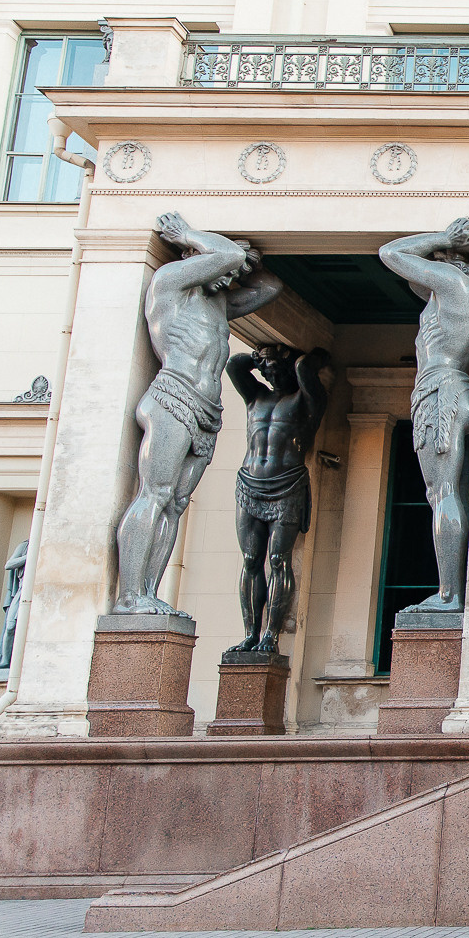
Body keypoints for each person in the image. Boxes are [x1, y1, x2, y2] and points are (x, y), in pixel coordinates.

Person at [113, 213, 283, 616]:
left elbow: (270, 286)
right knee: (153, 493)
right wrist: (188, 235)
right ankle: (128, 595)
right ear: (197, 256)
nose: (229, 278)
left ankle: (149, 594)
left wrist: (246, 263)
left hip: (206, 409)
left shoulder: (218, 304)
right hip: (173, 397)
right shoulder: (170, 284)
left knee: (175, 502)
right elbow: (223, 253)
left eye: (235, 274)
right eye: (225, 271)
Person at [378, 218, 469, 614]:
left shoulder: (453, 285)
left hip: (440, 392)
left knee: (441, 493)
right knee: (452, 492)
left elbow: (392, 254)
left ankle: (449, 595)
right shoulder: (461, 295)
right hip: (457, 390)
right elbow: (413, 281)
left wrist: (443, 239)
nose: (430, 265)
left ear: (450, 265)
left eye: (438, 260)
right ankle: (454, 591)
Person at [227, 343, 330, 654]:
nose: (271, 375)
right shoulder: (256, 397)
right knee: (250, 559)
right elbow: (234, 364)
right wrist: (261, 356)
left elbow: (306, 368)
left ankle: (271, 635)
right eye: (266, 371)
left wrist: (296, 358)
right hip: (249, 484)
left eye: (277, 369)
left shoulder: (307, 400)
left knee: (277, 559)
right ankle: (250, 634)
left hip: (287, 485)